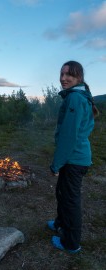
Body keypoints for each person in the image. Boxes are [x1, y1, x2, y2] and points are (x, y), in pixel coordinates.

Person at [47, 60, 99, 253]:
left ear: (79, 77)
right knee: (62, 193)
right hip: (74, 157)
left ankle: (71, 243)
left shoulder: (75, 99)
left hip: (74, 159)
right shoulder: (79, 95)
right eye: (61, 74)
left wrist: (56, 164)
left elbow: (68, 136)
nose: (63, 78)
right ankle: (60, 223)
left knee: (70, 200)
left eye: (68, 74)